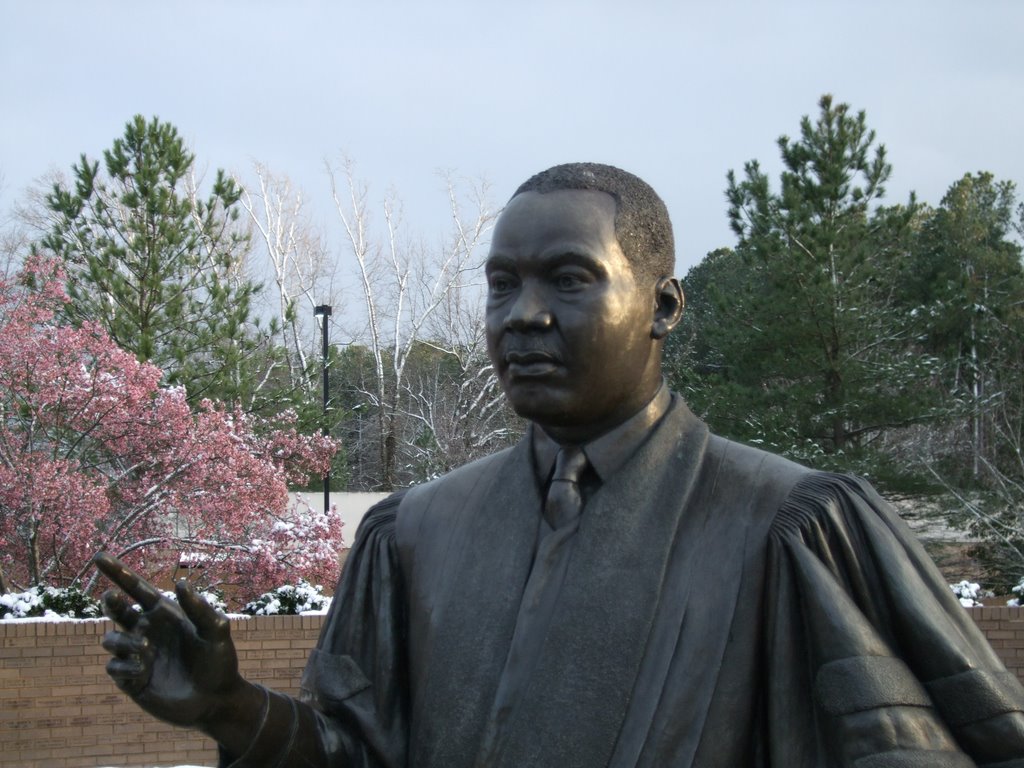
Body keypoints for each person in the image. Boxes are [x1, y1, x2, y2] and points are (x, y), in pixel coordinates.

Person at [97, 162, 1024, 767]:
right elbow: (355, 755)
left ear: (663, 307)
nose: (523, 315)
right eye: (503, 285)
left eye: (569, 280)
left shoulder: (788, 527)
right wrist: (230, 710)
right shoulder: (416, 533)